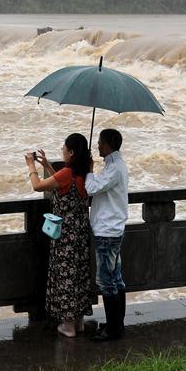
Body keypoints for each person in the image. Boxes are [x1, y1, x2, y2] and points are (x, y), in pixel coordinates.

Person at [25, 134, 93, 338]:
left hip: (65, 237)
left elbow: (38, 186)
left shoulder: (67, 173)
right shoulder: (86, 173)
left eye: (64, 148)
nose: (62, 151)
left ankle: (67, 326)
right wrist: (47, 165)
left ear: (71, 152)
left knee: (65, 277)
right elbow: (63, 185)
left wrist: (31, 166)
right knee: (79, 274)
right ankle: (79, 321)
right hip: (81, 234)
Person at [85, 128, 128, 341]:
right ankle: (117, 324)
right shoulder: (115, 165)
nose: (98, 146)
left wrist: (89, 170)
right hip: (113, 229)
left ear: (108, 144)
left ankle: (113, 329)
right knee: (116, 278)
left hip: (107, 231)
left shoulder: (113, 169)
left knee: (106, 281)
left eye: (100, 142)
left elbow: (92, 188)